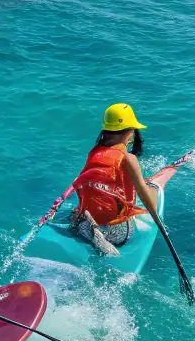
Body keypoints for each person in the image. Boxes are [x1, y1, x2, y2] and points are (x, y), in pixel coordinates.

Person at [69, 104, 165, 258]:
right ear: (130, 133)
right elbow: (150, 205)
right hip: (117, 233)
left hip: (86, 224)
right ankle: (103, 238)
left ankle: (92, 233)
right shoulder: (129, 158)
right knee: (148, 194)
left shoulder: (95, 152)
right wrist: (154, 189)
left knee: (84, 215)